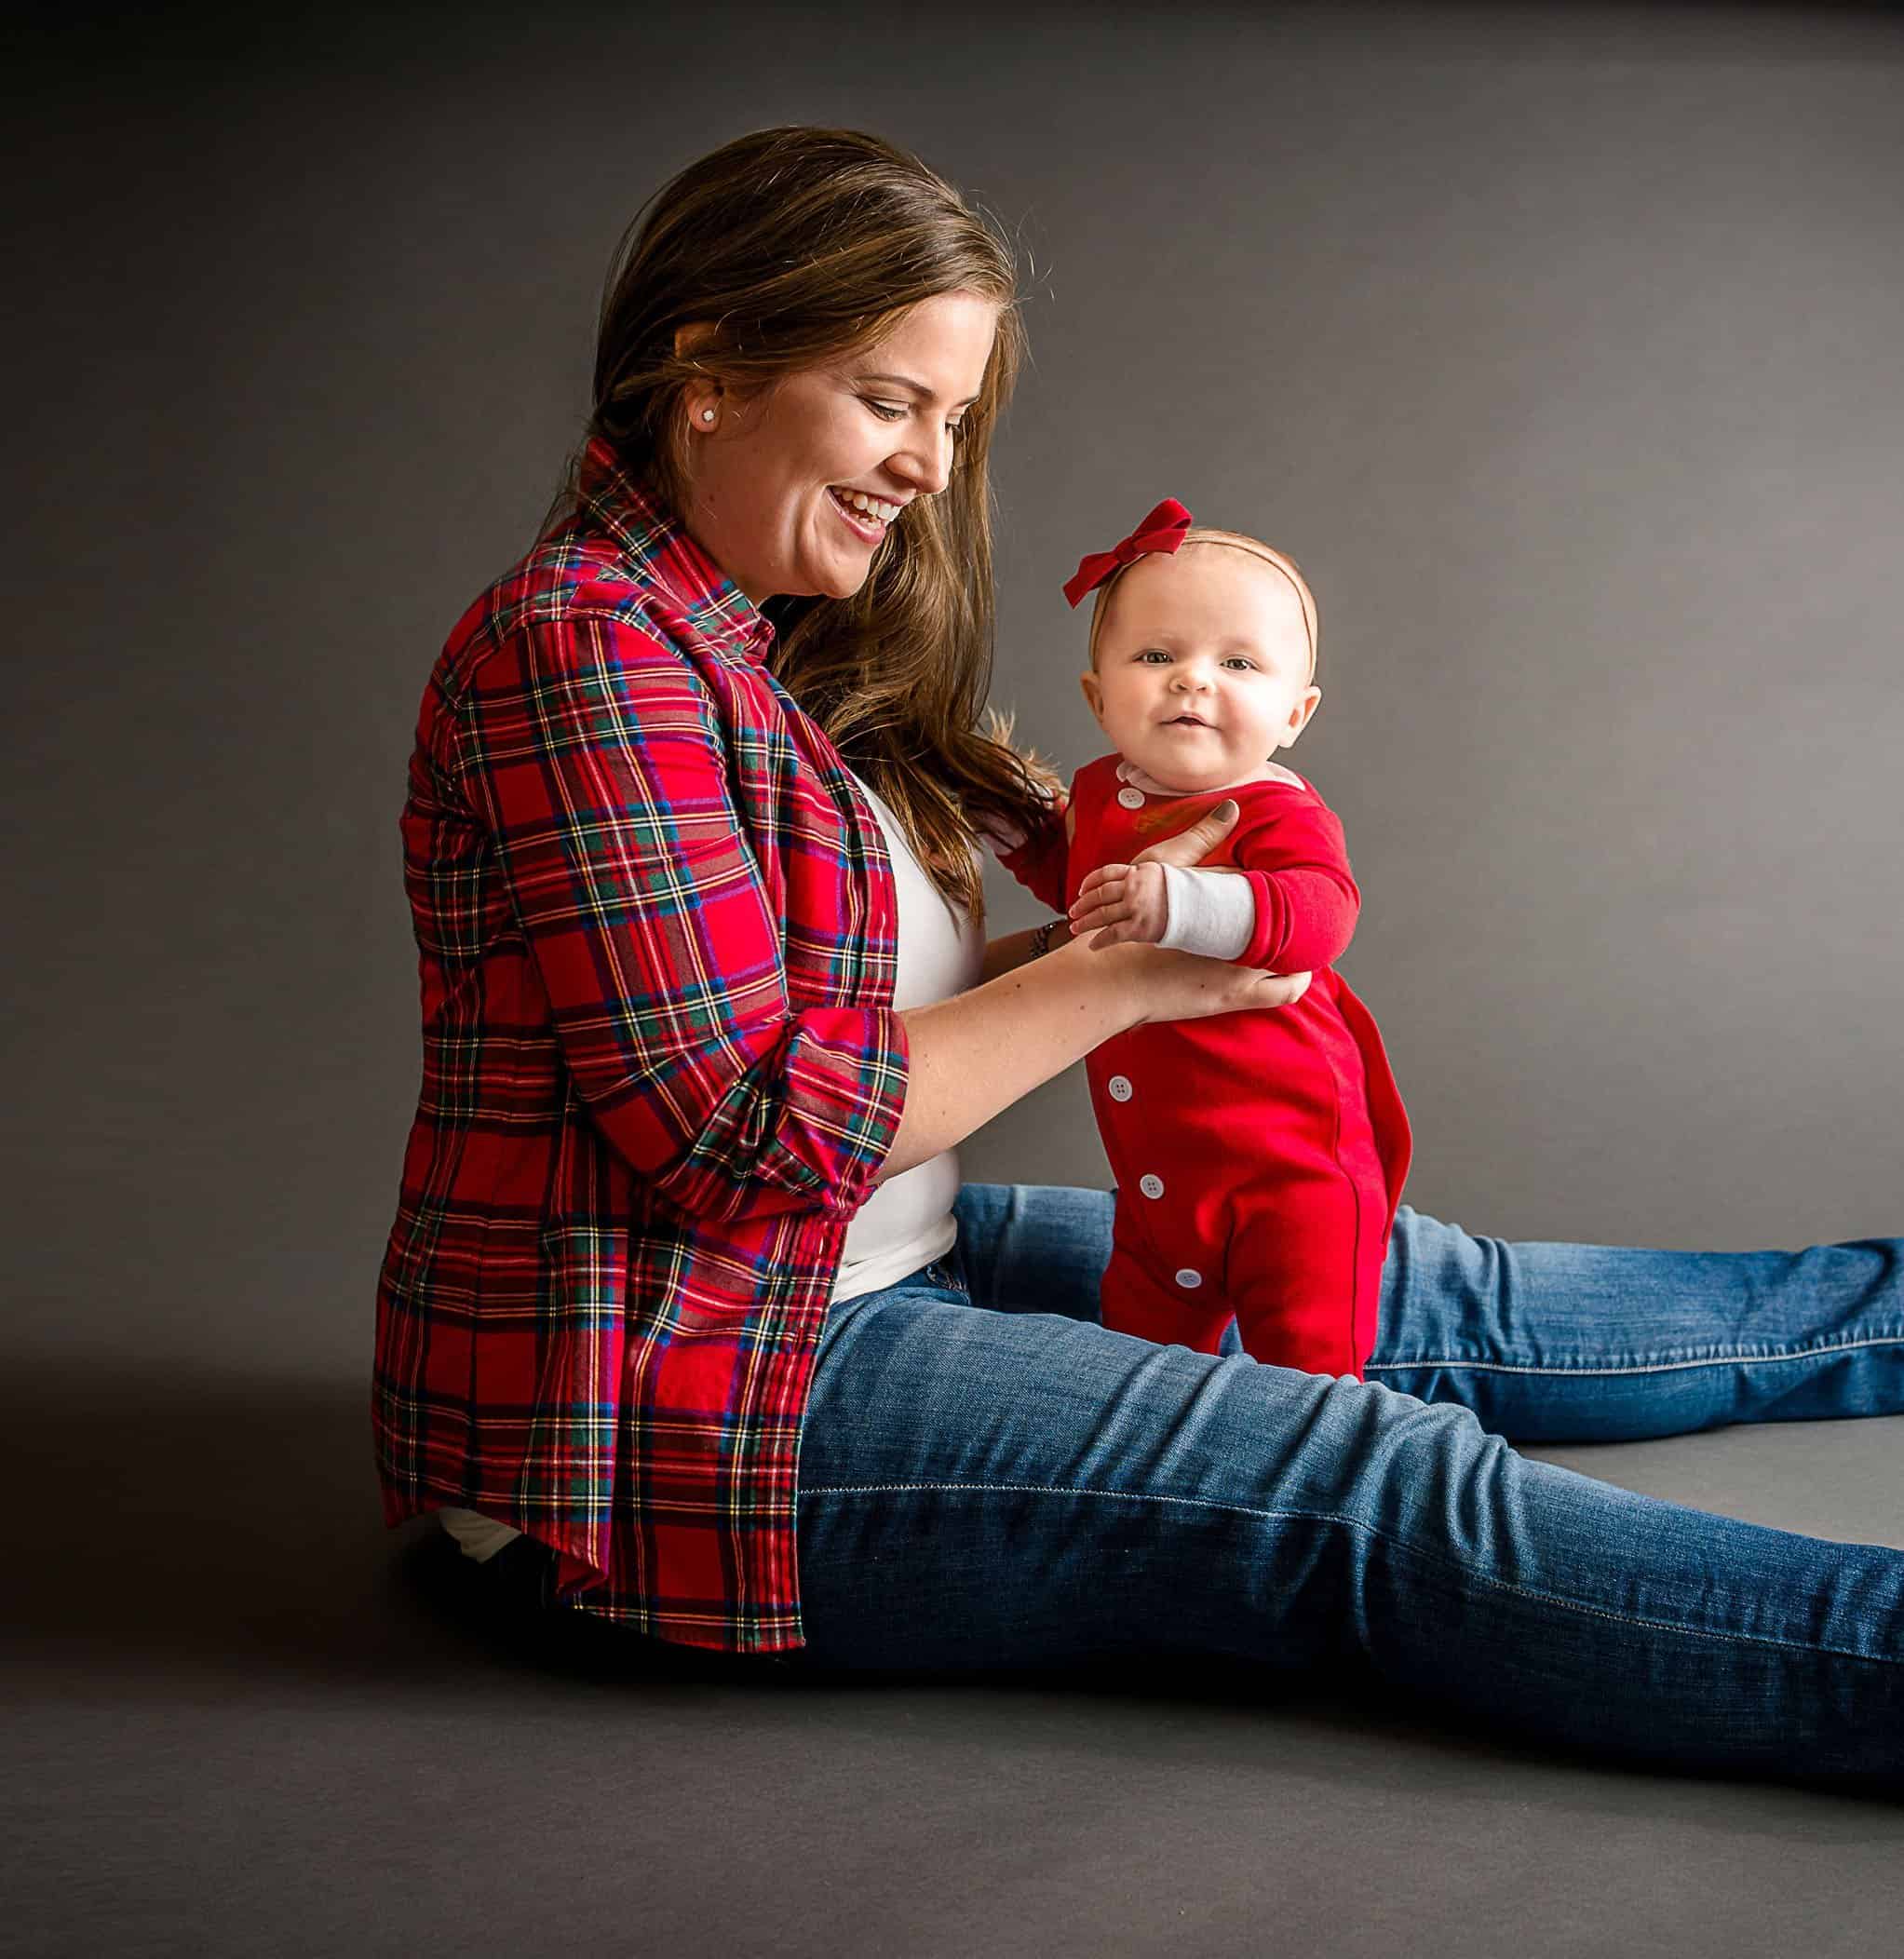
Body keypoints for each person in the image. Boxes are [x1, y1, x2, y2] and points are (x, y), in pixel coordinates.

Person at [373, 124, 1904, 1781]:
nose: (930, 467)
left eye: (953, 421)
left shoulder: (762, 646)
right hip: (679, 1405)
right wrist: (1124, 972)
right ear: (708, 370)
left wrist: (1144, 925)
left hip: (870, 1265)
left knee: (1400, 1268)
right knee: (1366, 1476)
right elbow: (749, 1133)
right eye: (891, 400)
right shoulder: (584, 648)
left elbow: (855, 998)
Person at [1011, 499, 1410, 1376]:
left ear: (1294, 713)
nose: (1193, 680)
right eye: (1156, 656)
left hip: (1293, 1177)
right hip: (1158, 1186)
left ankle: (1317, 1481)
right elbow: (1091, 897)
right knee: (1140, 1371)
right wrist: (1021, 833)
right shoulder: (1095, 791)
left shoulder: (1274, 808)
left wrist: (1183, 904)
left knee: (1307, 1377)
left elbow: (1319, 913)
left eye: (1237, 662)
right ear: (1099, 697)